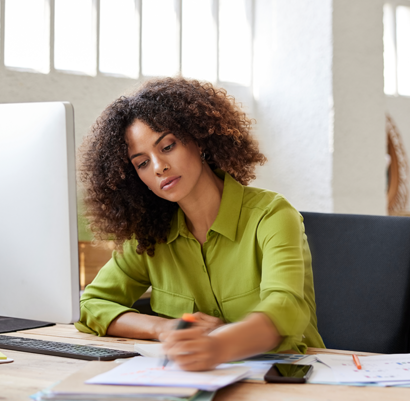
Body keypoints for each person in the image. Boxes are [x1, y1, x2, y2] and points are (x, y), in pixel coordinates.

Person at [75, 77, 325, 371]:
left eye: (167, 146)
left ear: (198, 139)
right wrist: (162, 328)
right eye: (142, 163)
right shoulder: (149, 235)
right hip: (194, 382)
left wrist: (218, 345)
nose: (159, 167)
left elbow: (286, 308)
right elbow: (91, 305)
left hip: (290, 378)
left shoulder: (271, 215)